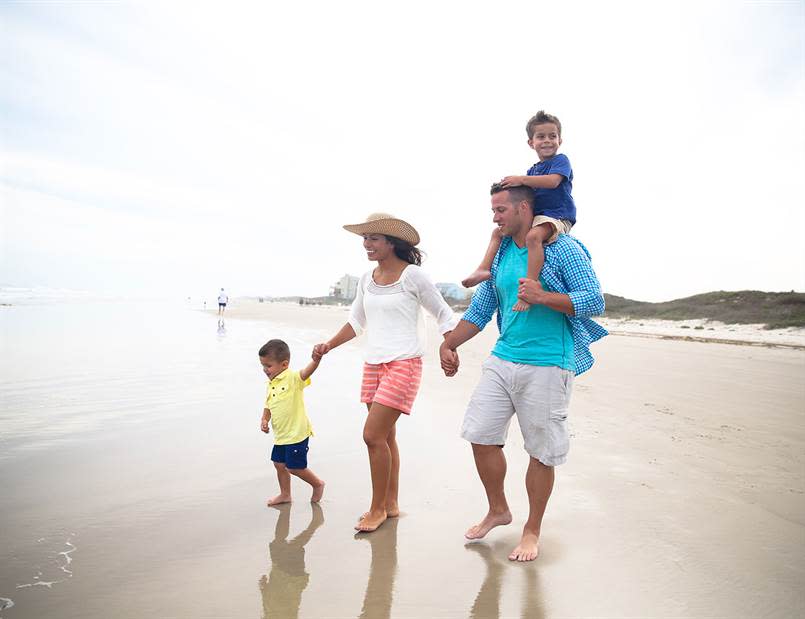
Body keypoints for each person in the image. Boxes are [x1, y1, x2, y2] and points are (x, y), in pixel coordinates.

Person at [441, 183, 606, 562]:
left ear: (523, 208)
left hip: (549, 362)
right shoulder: (501, 254)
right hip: (503, 358)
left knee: (541, 453)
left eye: (500, 210)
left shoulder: (562, 249)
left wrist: (542, 296)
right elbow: (483, 308)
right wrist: (450, 344)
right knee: (480, 434)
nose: (495, 218)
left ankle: (532, 530)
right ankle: (498, 509)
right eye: (493, 211)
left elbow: (594, 299)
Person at [313, 213, 457, 533]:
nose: (367, 244)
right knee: (386, 437)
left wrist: (451, 347)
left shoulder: (413, 276)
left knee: (372, 435)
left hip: (405, 362)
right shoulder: (368, 279)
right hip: (373, 363)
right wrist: (329, 345)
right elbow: (356, 322)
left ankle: (376, 509)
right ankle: (390, 504)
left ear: (391, 243)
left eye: (374, 239)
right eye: (365, 239)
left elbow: (443, 314)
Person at [462, 111, 576, 313]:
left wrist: (521, 179)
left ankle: (529, 288)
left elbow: (553, 181)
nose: (547, 141)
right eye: (541, 137)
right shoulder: (533, 170)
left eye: (552, 136)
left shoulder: (561, 161)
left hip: (558, 216)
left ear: (560, 139)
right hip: (538, 215)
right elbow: (523, 195)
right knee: (498, 233)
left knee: (533, 237)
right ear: (531, 142)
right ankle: (483, 268)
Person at [259, 339, 326, 506]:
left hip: (297, 433)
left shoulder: (292, 378)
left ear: (284, 364)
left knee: (294, 467)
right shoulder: (271, 383)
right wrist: (264, 419)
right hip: (281, 435)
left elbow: (306, 373)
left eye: (268, 365)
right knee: (279, 464)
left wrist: (316, 360)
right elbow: (268, 404)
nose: (265, 370)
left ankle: (317, 484)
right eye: (263, 365)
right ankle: (285, 494)